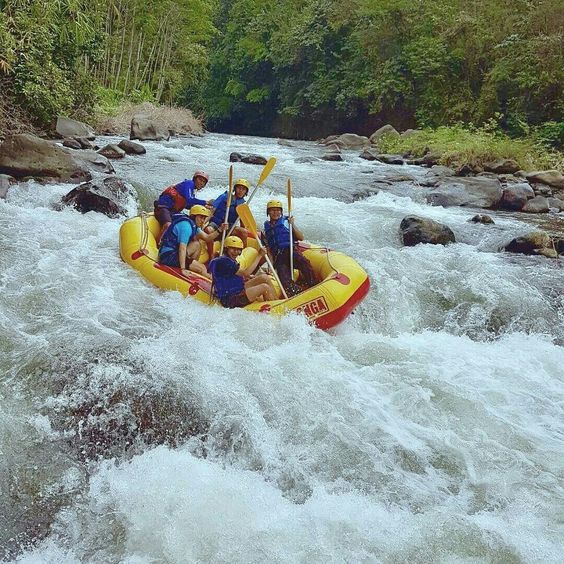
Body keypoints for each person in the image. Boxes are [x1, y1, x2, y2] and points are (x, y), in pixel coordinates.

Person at [263, 199, 316, 296]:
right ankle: (297, 293)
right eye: (272, 210)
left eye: (278, 210)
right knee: (284, 278)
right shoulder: (266, 228)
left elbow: (301, 237)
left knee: (304, 263)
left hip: (290, 251)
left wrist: (293, 224)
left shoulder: (287, 222)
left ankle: (313, 285)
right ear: (268, 212)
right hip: (279, 257)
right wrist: (270, 265)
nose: (276, 212)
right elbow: (269, 250)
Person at [158, 205, 226, 277]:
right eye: (201, 217)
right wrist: (183, 269)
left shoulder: (194, 226)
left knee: (197, 244)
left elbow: (207, 238)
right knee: (202, 268)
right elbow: (182, 248)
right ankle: (192, 270)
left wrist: (220, 229)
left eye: (204, 218)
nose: (203, 221)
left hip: (174, 253)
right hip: (168, 256)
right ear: (193, 216)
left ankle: (190, 266)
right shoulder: (186, 226)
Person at [209, 236, 277, 308]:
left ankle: (277, 301)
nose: (236, 252)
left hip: (236, 290)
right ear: (226, 249)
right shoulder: (225, 262)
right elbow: (247, 273)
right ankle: (274, 308)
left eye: (238, 250)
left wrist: (245, 278)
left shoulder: (227, 260)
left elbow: (230, 276)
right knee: (264, 287)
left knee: (264, 277)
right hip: (230, 299)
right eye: (233, 249)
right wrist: (259, 255)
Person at [154, 171, 212, 239]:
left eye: (203, 182)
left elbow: (187, 205)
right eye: (200, 180)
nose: (201, 183)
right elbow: (189, 200)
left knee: (189, 221)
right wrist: (205, 202)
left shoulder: (191, 192)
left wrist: (203, 208)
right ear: (195, 179)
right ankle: (159, 243)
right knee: (168, 225)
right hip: (163, 208)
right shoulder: (189, 183)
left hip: (173, 212)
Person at [205, 178, 250, 257]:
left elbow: (243, 224)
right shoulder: (224, 196)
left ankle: (242, 255)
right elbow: (212, 211)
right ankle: (211, 255)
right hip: (216, 224)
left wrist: (241, 235)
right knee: (208, 230)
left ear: (246, 192)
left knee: (244, 232)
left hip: (229, 228)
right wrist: (203, 223)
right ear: (235, 189)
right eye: (239, 188)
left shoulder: (242, 205)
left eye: (243, 189)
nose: (240, 191)